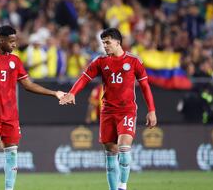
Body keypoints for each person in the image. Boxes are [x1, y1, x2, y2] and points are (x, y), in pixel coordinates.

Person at [60, 28, 157, 190]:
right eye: (103, 42)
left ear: (118, 42)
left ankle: (122, 186)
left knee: (124, 146)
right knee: (111, 153)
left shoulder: (134, 61)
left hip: (126, 111)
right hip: (107, 112)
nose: (104, 46)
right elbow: (84, 78)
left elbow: (145, 86)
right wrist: (72, 93)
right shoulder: (100, 62)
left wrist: (151, 110)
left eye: (107, 42)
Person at [0, 25, 65, 190]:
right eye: (11, 41)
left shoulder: (15, 61)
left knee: (12, 154)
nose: (15, 45)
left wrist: (54, 93)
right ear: (1, 40)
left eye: (16, 41)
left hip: (11, 115)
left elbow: (28, 85)